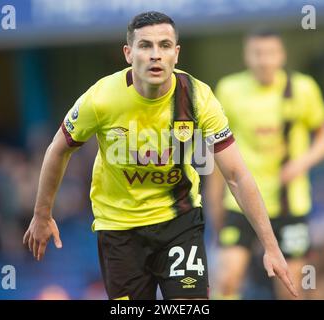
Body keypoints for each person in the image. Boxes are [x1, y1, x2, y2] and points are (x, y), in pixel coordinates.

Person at [23, 12, 297, 300]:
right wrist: (42, 214)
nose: (156, 55)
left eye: (165, 45)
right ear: (128, 53)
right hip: (120, 228)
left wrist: (271, 247)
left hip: (179, 222)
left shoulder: (197, 97)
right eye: (145, 46)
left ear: (176, 54)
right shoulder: (101, 98)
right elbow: (58, 148)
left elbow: (237, 175)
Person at [207, 29, 324, 299]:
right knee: (227, 278)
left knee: (291, 288)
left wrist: (301, 164)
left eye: (270, 54)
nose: (264, 61)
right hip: (241, 202)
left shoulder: (303, 88)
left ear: (281, 55)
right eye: (257, 53)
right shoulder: (229, 90)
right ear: (246, 56)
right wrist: (214, 200)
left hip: (289, 203)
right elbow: (216, 150)